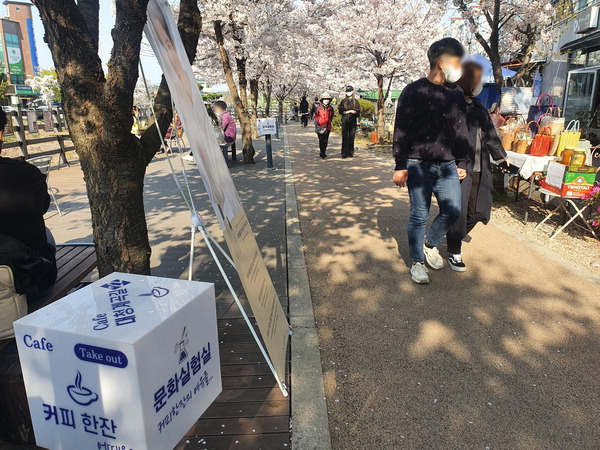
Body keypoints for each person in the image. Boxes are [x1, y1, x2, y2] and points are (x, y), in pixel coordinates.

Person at [391, 37, 469, 285]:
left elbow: (461, 129)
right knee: (419, 215)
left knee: (453, 210)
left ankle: (429, 243)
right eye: (458, 62)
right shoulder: (413, 91)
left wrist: (463, 161)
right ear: (442, 62)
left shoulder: (456, 93)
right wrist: (400, 165)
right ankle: (416, 262)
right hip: (418, 163)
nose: (461, 68)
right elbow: (401, 129)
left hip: (447, 164)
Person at [445, 59, 510, 272]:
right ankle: (454, 250)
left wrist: (501, 156)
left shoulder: (479, 105)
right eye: (476, 79)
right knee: (459, 210)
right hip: (459, 166)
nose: (479, 84)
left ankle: (452, 233)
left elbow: (490, 133)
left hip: (481, 166)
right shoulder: (451, 103)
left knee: (480, 210)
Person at [0, 108, 57, 300]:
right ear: (1, 133)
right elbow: (41, 208)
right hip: (31, 282)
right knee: (46, 233)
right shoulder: (28, 173)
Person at [338, 85, 361, 158]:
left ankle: (351, 152)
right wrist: (348, 112)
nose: (348, 93)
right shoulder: (343, 101)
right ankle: (344, 152)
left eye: (350, 91)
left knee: (351, 136)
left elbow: (358, 111)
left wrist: (355, 112)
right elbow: (340, 111)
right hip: (345, 121)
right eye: (347, 91)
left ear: (352, 92)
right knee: (345, 137)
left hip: (352, 121)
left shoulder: (355, 101)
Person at [313, 92, 334, 158]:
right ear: (322, 100)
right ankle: (322, 152)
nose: (326, 100)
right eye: (325, 99)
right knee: (321, 140)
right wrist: (318, 123)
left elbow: (331, 116)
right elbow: (316, 116)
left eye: (327, 99)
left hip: (328, 126)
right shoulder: (319, 108)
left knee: (325, 140)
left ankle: (323, 151)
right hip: (320, 126)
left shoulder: (331, 108)